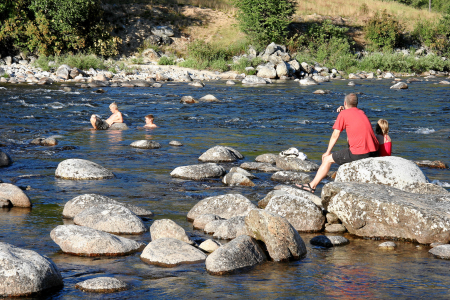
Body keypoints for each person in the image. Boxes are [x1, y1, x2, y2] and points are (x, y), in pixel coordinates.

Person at [296, 93, 379, 194]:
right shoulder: (361, 112)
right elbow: (352, 117)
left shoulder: (343, 114)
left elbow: (335, 135)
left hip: (359, 153)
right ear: (357, 103)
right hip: (372, 151)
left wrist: (327, 152)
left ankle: (312, 186)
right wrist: (344, 111)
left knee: (327, 159)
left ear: (344, 103)